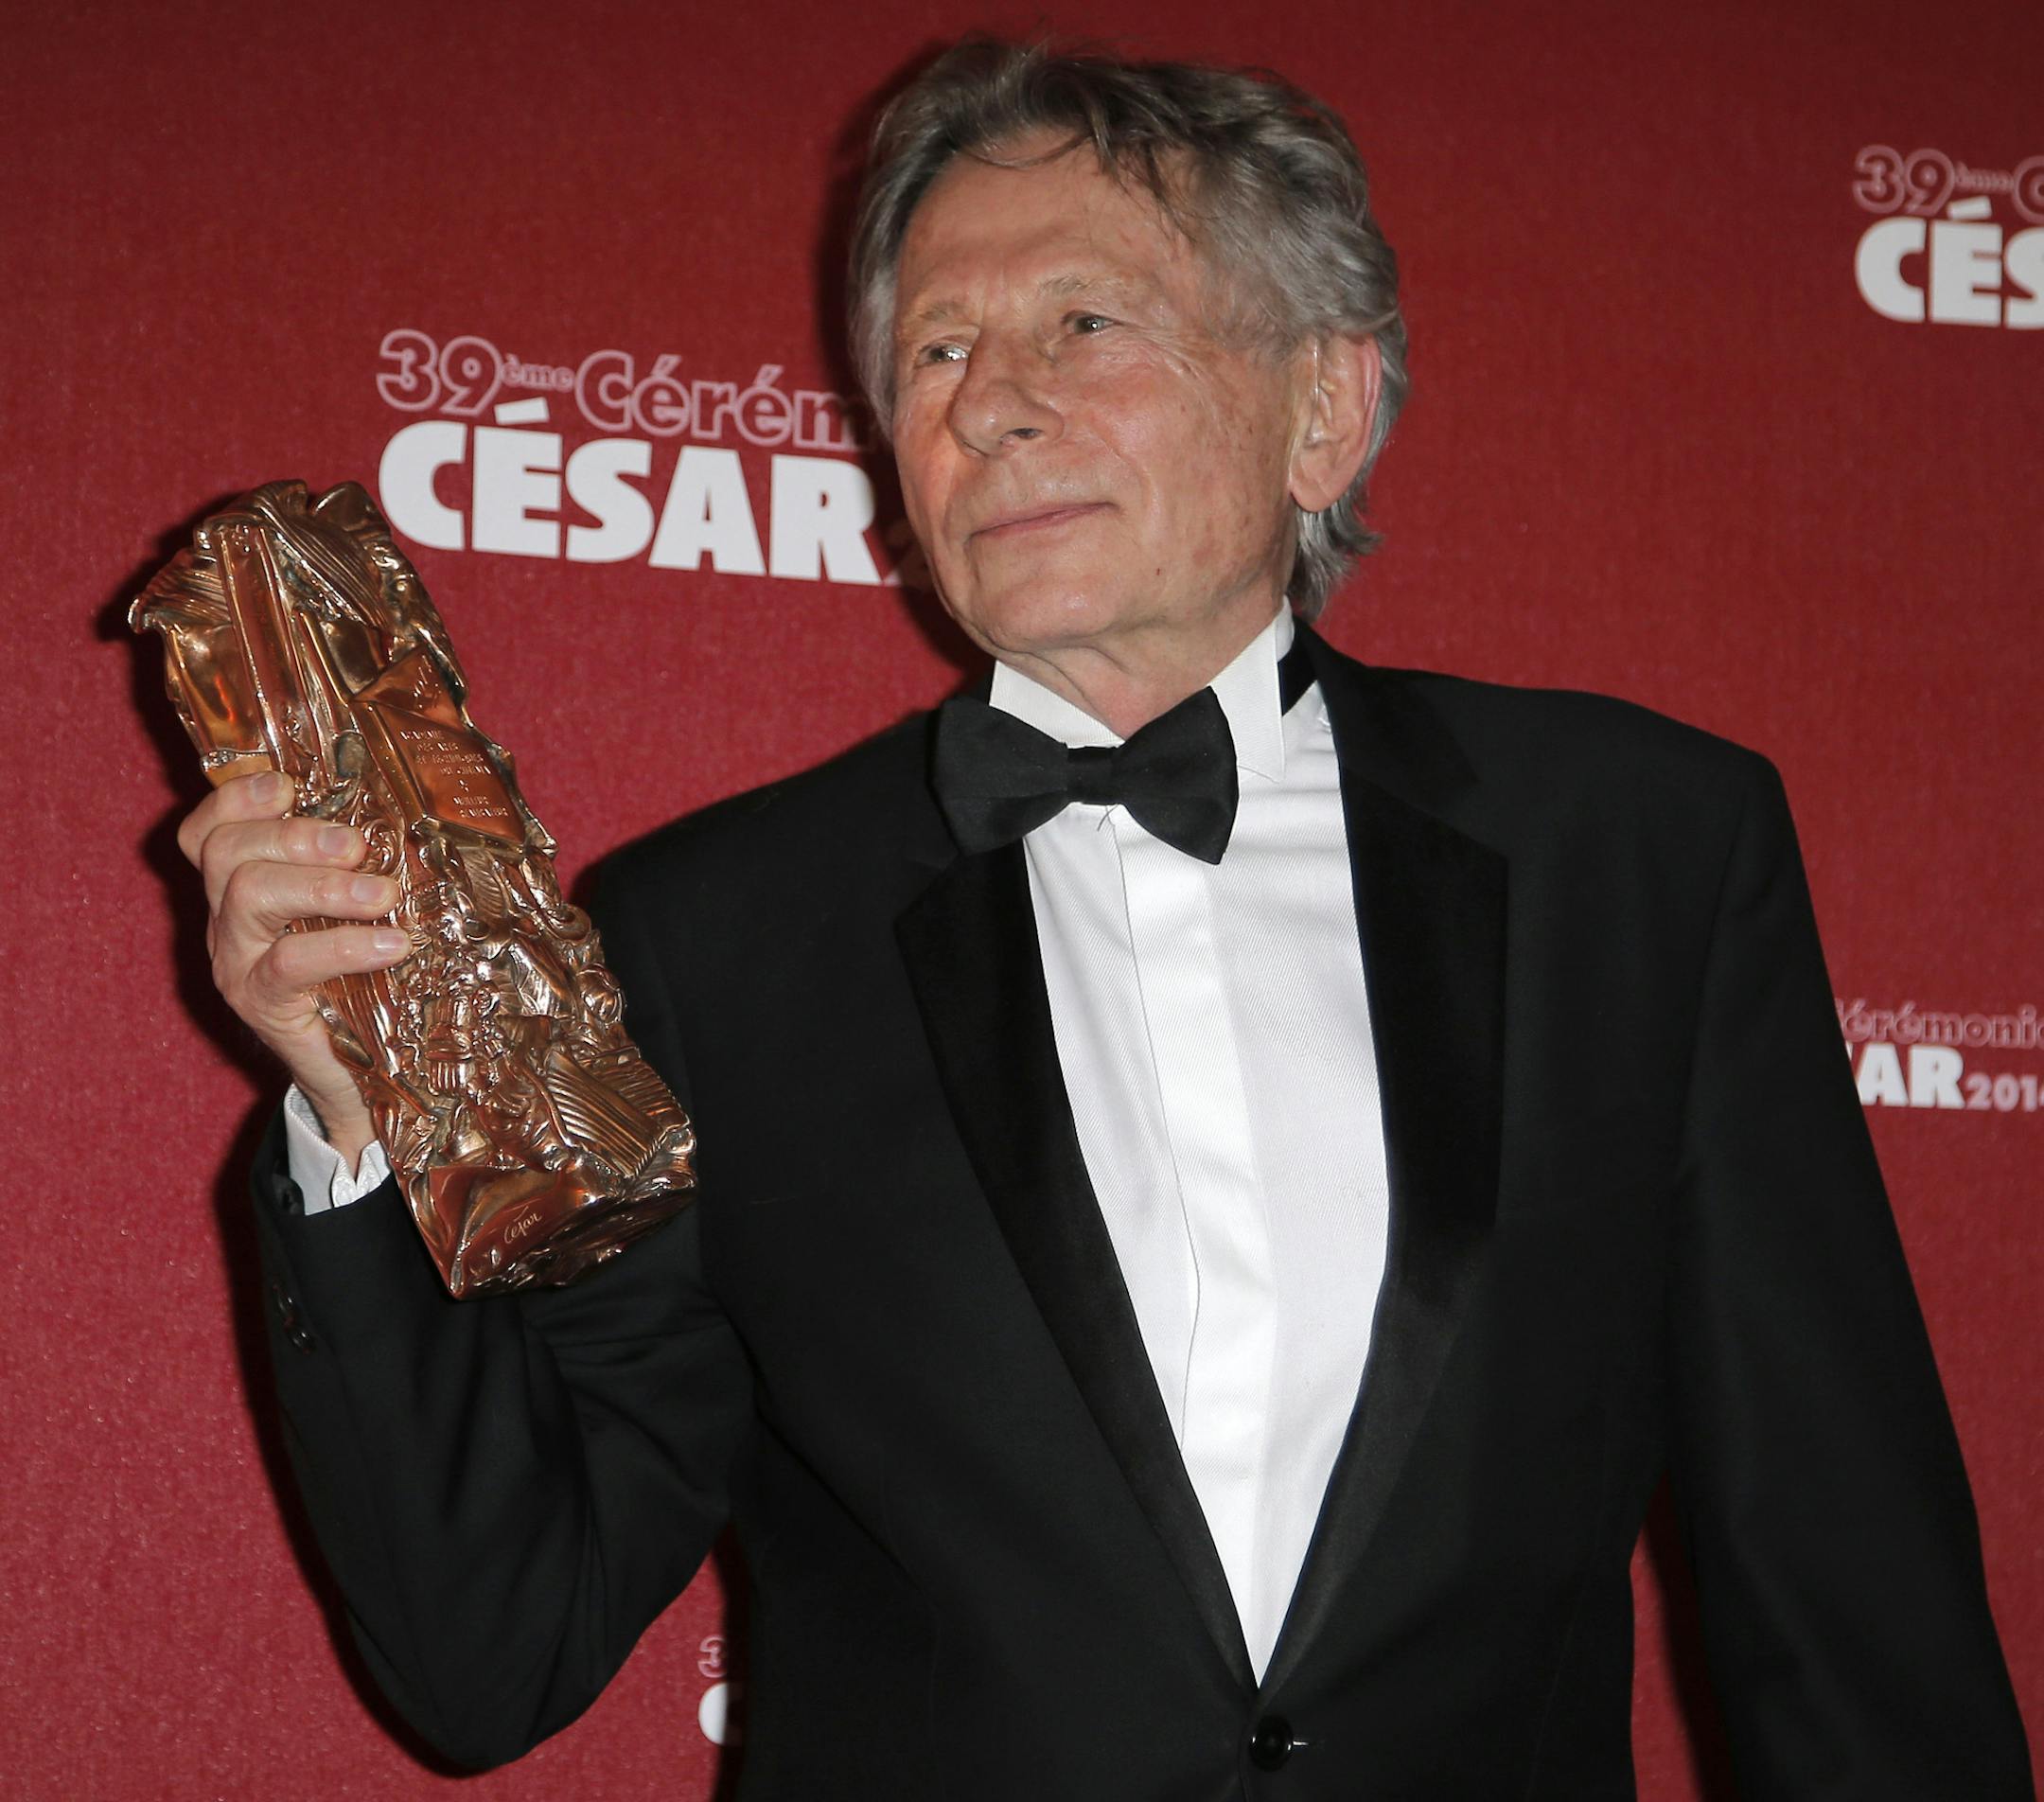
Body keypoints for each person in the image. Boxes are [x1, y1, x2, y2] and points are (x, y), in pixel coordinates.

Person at [177, 39, 2032, 1801]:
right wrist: (357, 1117)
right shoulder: (708, 938)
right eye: (936, 353)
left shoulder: (1643, 855)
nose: (989, 401)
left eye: (1084, 322)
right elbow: (493, 1646)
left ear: (1326, 406)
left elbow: (1841, 1575)